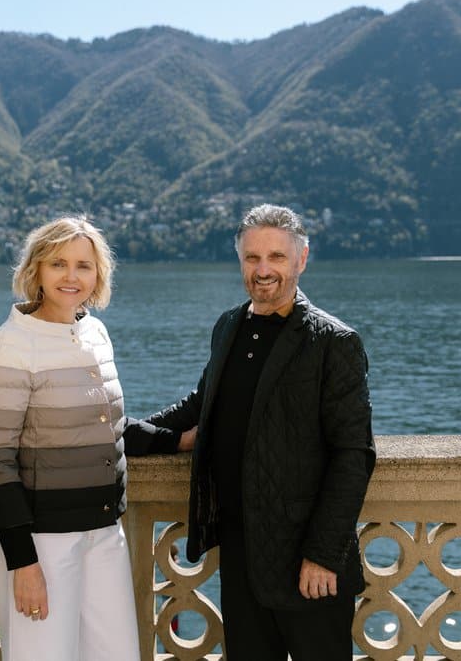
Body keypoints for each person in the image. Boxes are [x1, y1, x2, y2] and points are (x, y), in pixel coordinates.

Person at [126, 204, 376, 660]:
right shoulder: (228, 326)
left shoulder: (334, 342)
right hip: (240, 552)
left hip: (308, 561)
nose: (263, 270)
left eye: (277, 257)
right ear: (240, 261)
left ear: (301, 259)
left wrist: (322, 554)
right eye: (252, 258)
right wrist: (127, 433)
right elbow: (200, 405)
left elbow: (353, 455)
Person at [0, 216, 140, 661]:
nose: (71, 276)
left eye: (83, 265)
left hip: (104, 532)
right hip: (43, 542)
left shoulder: (96, 333)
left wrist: (178, 438)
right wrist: (23, 562)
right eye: (58, 264)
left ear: (98, 274)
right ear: (36, 270)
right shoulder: (11, 344)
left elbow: (106, 426)